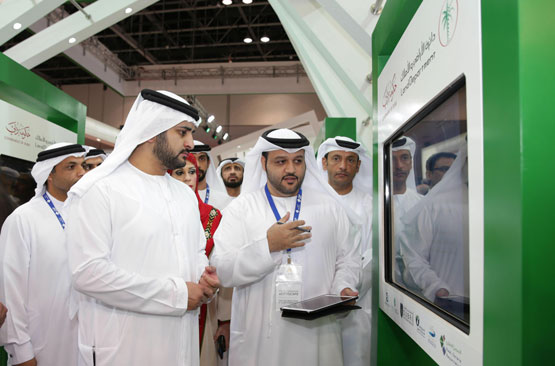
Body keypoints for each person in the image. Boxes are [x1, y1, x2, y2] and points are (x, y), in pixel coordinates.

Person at [65, 89, 220, 366]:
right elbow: (88, 273)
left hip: (181, 345)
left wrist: (204, 279)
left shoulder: (184, 194)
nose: (191, 142)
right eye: (183, 132)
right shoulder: (99, 190)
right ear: (152, 131)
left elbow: (196, 252)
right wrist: (176, 294)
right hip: (125, 349)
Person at [211, 128, 360, 366]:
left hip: (319, 335)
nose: (291, 169)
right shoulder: (241, 209)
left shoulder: (329, 207)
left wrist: (343, 287)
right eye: (281, 161)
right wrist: (268, 246)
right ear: (263, 162)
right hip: (261, 340)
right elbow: (219, 270)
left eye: (298, 161)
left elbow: (348, 260)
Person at [0, 142, 87, 366]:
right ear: (49, 174)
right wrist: (21, 352)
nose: (81, 172)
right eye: (71, 167)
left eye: (82, 165)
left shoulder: (88, 215)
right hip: (40, 342)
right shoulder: (24, 218)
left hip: (84, 342)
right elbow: (11, 290)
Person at [317, 136, 373, 366]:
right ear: (324, 163)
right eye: (336, 159)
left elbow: (370, 255)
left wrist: (347, 289)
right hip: (316, 301)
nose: (343, 166)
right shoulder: (312, 203)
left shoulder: (370, 205)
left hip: (357, 302)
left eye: (351, 160)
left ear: (359, 166)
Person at [400, 145, 469, 320]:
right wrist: (436, 287)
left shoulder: (487, 204)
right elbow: (414, 257)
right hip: (444, 305)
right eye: (444, 169)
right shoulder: (430, 206)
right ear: (429, 174)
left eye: (452, 168)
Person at [169, 154, 226, 366]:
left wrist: (225, 320)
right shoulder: (158, 212)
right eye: (179, 172)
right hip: (167, 298)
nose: (187, 178)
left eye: (191, 172)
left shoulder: (213, 215)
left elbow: (221, 267)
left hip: (206, 304)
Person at [391, 136, 422, 289]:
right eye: (392, 159)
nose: (399, 166)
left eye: (404, 158)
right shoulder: (371, 204)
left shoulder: (422, 203)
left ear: (411, 163)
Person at [191, 141, 231, 209]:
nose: (197, 165)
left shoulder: (224, 201)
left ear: (208, 162)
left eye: (201, 159)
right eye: (192, 158)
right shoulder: (176, 198)